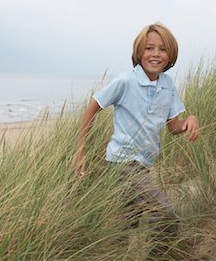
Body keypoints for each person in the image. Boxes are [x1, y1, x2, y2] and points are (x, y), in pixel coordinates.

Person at [73, 22, 199, 256]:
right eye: (149, 48)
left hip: (144, 165)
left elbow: (173, 126)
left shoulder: (167, 85)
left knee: (126, 223)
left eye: (162, 49)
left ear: (170, 54)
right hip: (122, 162)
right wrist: (81, 150)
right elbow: (92, 109)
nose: (155, 54)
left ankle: (115, 254)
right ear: (139, 51)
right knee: (164, 213)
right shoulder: (125, 81)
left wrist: (189, 121)